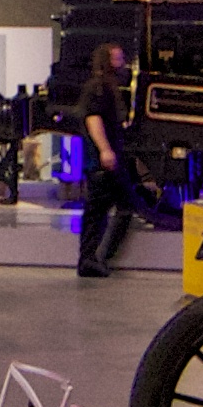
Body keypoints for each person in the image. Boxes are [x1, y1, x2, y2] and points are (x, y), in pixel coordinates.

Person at [68, 43, 148, 278]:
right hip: (102, 161)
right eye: (116, 59)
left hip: (102, 159)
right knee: (106, 209)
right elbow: (93, 119)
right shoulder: (99, 88)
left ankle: (94, 258)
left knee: (104, 209)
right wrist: (105, 150)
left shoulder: (103, 86)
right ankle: (93, 258)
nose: (121, 63)